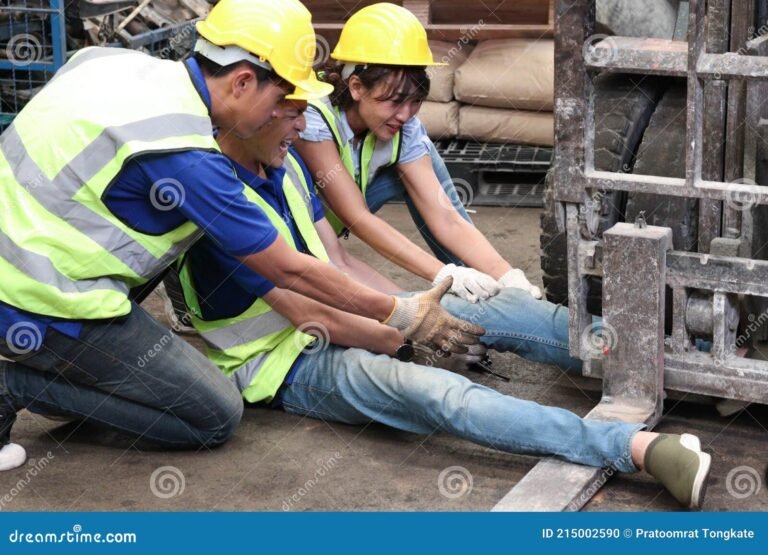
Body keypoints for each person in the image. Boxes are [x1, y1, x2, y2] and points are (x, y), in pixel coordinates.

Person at [0, 0, 482, 472]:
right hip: (37, 294)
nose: (287, 117)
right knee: (211, 415)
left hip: (26, 248)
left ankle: (61, 368)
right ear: (243, 80)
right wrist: (400, 313)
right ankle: (14, 384)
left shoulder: (115, 64)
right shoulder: (186, 153)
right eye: (281, 102)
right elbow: (288, 269)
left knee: (160, 229)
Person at [177, 99, 712, 509]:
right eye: (291, 114)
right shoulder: (214, 202)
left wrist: (414, 301)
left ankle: (688, 369)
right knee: (443, 394)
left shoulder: (282, 168)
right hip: (287, 363)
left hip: (346, 314)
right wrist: (400, 330)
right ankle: (636, 449)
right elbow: (309, 313)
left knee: (508, 311)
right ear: (248, 106)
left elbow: (335, 260)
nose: (303, 127)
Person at [294, 2, 542, 306]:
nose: (405, 114)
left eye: (414, 102)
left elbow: (446, 218)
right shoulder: (313, 117)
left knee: (423, 158)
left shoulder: (405, 125)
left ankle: (486, 290)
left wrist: (507, 275)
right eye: (395, 101)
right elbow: (355, 216)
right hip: (306, 225)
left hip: (348, 209)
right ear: (356, 87)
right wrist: (442, 275)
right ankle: (460, 286)